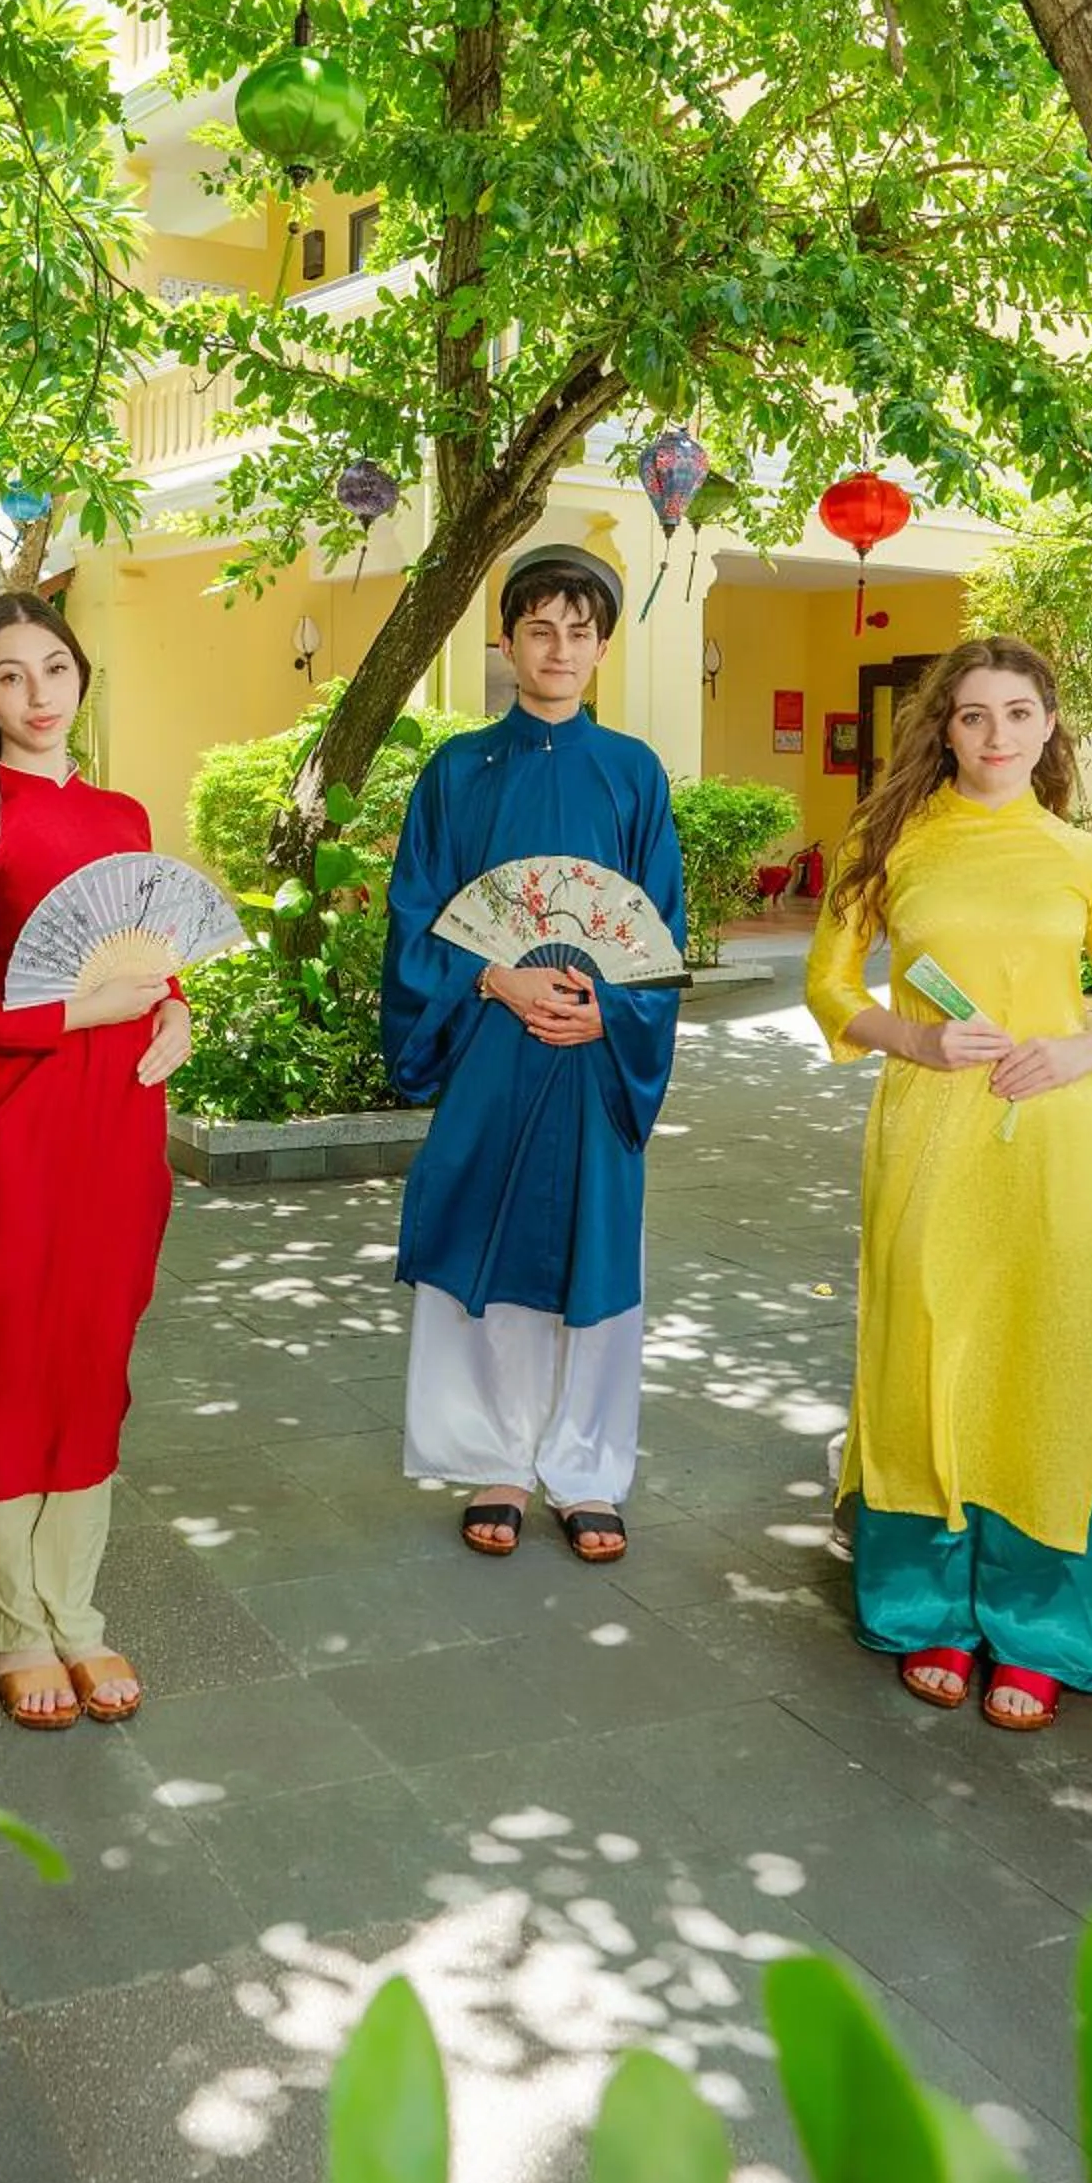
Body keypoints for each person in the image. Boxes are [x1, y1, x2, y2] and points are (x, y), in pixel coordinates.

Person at [803, 636, 1092, 1730]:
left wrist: (1075, 1050)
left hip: (1053, 1137)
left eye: (1017, 713)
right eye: (973, 716)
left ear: (1048, 726)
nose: (996, 736)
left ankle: (1038, 1626)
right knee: (923, 1349)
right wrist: (912, 1043)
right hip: (928, 1132)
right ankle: (927, 1610)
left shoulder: (1086, 861)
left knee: (1042, 1361)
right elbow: (829, 986)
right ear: (943, 728)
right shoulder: (888, 841)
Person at [0, 591, 191, 1729]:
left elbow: (149, 962)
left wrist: (174, 1017)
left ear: (80, 680)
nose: (35, 695)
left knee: (90, 1343)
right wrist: (71, 1013)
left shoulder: (123, 816)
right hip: (13, 1115)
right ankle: (11, 1619)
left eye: (54, 670)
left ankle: (74, 1606)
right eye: (8, 675)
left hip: (120, 1114)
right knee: (7, 1346)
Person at [382, 546, 686, 1562]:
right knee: (488, 1244)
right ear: (505, 641)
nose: (558, 648)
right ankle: (496, 1462)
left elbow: (659, 929)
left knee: (592, 1258)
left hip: (595, 1055)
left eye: (578, 631)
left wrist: (614, 1014)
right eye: (538, 629)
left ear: (601, 648)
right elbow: (417, 910)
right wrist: (491, 975)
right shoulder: (455, 770)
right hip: (489, 1045)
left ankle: (586, 1468)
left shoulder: (633, 773)